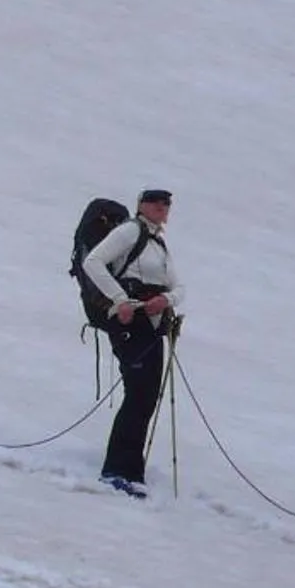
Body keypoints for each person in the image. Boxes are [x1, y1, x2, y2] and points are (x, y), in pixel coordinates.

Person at [79, 189, 183, 498]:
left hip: (151, 324)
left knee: (147, 395)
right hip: (130, 322)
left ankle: (130, 470)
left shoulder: (158, 243)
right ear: (141, 205)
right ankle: (116, 469)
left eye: (166, 203)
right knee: (139, 393)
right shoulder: (130, 232)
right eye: (155, 202)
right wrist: (120, 299)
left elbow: (178, 286)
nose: (162, 207)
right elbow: (93, 262)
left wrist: (166, 299)